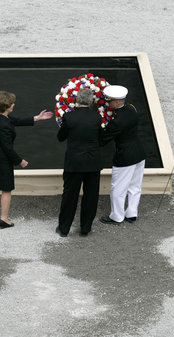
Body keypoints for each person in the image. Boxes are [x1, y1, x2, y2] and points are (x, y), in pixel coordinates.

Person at [0, 90, 53, 229]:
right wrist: (20, 161)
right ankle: (4, 219)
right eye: (12, 103)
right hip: (1, 158)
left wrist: (36, 118)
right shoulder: (5, 125)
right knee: (6, 188)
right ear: (7, 106)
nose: (14, 104)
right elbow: (7, 148)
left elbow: (16, 120)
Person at [55, 88, 103, 237]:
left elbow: (60, 137)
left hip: (74, 163)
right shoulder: (97, 118)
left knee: (70, 196)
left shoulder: (69, 117)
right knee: (91, 196)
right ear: (91, 102)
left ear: (77, 100)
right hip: (92, 162)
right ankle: (85, 228)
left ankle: (64, 228)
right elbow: (100, 139)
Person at [99, 85, 146, 225]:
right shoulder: (131, 109)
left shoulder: (117, 121)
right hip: (139, 153)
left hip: (125, 157)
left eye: (110, 101)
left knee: (118, 189)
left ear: (118, 102)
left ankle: (116, 216)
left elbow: (103, 140)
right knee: (135, 186)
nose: (107, 103)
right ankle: (131, 214)